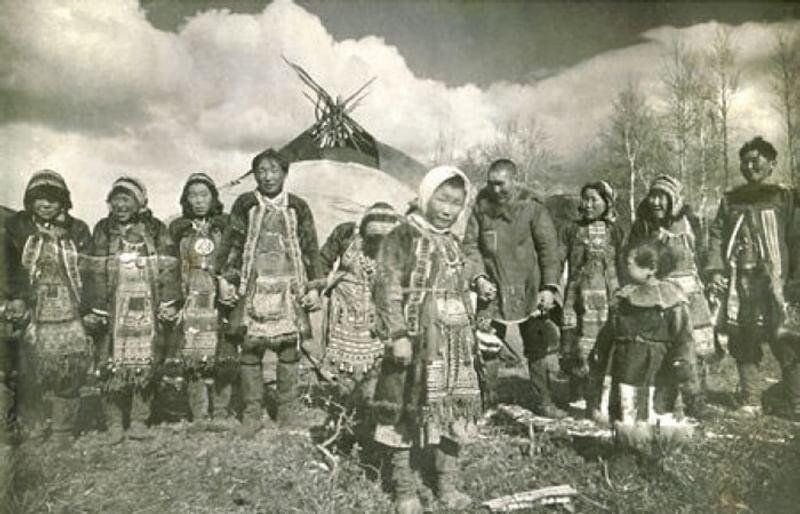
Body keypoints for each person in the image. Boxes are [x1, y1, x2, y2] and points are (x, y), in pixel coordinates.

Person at [371, 165, 494, 513]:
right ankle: (404, 489)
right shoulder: (402, 236)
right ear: (426, 196)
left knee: (453, 412)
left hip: (454, 345)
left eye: (456, 203)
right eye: (442, 199)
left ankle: (446, 484)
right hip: (415, 342)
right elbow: (386, 288)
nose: (448, 209)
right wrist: (397, 335)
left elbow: (465, 274)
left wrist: (480, 285)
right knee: (403, 412)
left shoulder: (453, 242)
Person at [218, 148, 322, 438]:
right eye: (261, 171)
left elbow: (311, 247)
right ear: (255, 175)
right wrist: (226, 279)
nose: (267, 176)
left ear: (285, 173)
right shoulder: (245, 204)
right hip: (252, 285)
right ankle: (252, 411)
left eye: (274, 170)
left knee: (289, 348)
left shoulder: (298, 206)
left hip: (289, 285)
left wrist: (314, 287)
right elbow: (232, 243)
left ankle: (287, 409)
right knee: (250, 348)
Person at [706, 137, 800, 419]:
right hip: (742, 285)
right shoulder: (731, 199)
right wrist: (715, 269)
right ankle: (751, 400)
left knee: (787, 340)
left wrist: (795, 281)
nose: (749, 166)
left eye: (756, 160)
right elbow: (717, 235)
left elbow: (796, 239)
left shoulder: (785, 197)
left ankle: (796, 401)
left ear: (772, 163)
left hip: (777, 284)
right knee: (743, 339)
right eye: (744, 162)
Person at [463, 158, 564, 417]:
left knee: (537, 347)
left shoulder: (533, 208)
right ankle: (487, 403)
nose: (495, 189)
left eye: (501, 184)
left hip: (529, 288)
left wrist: (548, 288)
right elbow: (471, 247)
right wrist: (479, 278)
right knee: (487, 346)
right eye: (491, 184)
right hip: (492, 287)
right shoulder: (481, 208)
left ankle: (544, 401)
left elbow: (549, 249)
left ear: (514, 180)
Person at [83, 176, 180, 443]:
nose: (120, 205)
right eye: (116, 199)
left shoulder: (156, 228)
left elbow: (169, 265)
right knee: (109, 362)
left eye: (126, 199)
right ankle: (114, 423)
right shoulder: (103, 229)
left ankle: (139, 420)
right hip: (112, 306)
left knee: (145, 361)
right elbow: (94, 267)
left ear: (140, 202)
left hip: (147, 302)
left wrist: (169, 301)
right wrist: (97, 306)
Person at [5, 171, 92, 446]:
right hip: (32, 309)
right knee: (29, 369)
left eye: (53, 199)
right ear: (29, 201)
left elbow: (87, 270)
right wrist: (15, 298)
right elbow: (7, 266)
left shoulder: (77, 230)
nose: (46, 204)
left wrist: (88, 306)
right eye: (39, 198)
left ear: (64, 202)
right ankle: (33, 426)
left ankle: (63, 429)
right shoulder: (16, 228)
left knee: (69, 368)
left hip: (69, 311)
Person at [591, 242, 694, 446]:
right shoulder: (624, 297)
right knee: (627, 402)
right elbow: (610, 329)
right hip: (626, 362)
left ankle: (658, 443)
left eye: (630, 262)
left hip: (658, 364)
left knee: (656, 403)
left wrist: (682, 361)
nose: (626, 265)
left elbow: (684, 336)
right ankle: (628, 442)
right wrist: (600, 351)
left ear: (651, 268)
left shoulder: (671, 299)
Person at [628, 175, 714, 418]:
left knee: (694, 348)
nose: (655, 202)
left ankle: (695, 398)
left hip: (691, 293)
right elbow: (633, 258)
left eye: (662, 197)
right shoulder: (643, 226)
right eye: (652, 196)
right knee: (662, 347)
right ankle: (664, 398)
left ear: (673, 200)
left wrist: (711, 281)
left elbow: (703, 254)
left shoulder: (691, 222)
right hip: (660, 296)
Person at [168, 173, 236, 426]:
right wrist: (175, 298)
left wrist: (230, 282)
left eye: (203, 195)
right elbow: (171, 266)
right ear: (185, 199)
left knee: (224, 352)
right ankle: (199, 412)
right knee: (193, 354)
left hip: (221, 296)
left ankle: (220, 411)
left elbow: (237, 258)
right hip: (192, 296)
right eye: (192, 195)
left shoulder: (226, 226)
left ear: (213, 197)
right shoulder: (178, 229)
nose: (198, 201)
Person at [319, 203, 400, 402]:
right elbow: (322, 261)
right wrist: (315, 287)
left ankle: (367, 401)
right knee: (342, 358)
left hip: (375, 307)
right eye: (373, 238)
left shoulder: (397, 246)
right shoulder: (346, 233)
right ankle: (342, 400)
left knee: (376, 358)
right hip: (344, 307)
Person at [559, 181, 624, 415]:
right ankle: (577, 395)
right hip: (577, 295)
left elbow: (623, 262)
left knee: (605, 345)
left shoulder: (615, 231)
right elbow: (558, 258)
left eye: (593, 200)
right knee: (577, 344)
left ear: (607, 202)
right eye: (584, 199)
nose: (587, 205)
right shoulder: (571, 229)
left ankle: (601, 399)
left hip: (608, 295)